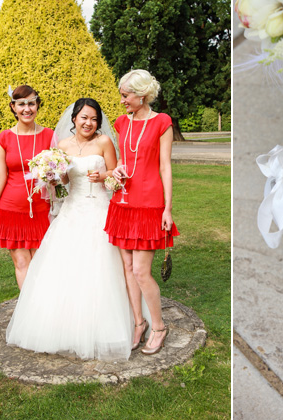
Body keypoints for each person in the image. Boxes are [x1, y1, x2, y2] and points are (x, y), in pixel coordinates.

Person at [5, 98, 145, 360]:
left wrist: (103, 176)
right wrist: (52, 175)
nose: (88, 123)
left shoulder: (104, 142)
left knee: (103, 266)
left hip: (100, 209)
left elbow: (116, 173)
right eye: (84, 118)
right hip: (72, 208)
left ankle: (118, 323)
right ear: (74, 119)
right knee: (66, 266)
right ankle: (64, 325)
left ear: (98, 122)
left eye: (93, 119)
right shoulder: (62, 145)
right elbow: (66, 179)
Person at [105, 69, 179, 355]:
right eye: (122, 95)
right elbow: (124, 158)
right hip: (122, 202)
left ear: (142, 94)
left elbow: (165, 167)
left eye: (126, 95)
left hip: (149, 204)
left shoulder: (162, 122)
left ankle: (158, 326)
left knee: (141, 271)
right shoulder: (122, 123)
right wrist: (118, 172)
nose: (122, 100)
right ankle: (139, 323)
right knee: (126, 268)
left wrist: (168, 208)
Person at [0, 85, 56, 289]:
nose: (27, 109)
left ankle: (44, 310)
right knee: (22, 264)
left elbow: (60, 172)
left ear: (38, 105)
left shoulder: (50, 136)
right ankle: (28, 315)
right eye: (21, 104)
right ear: (13, 107)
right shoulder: (4, 138)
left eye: (31, 103)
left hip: (42, 210)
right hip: (11, 210)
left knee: (43, 263)